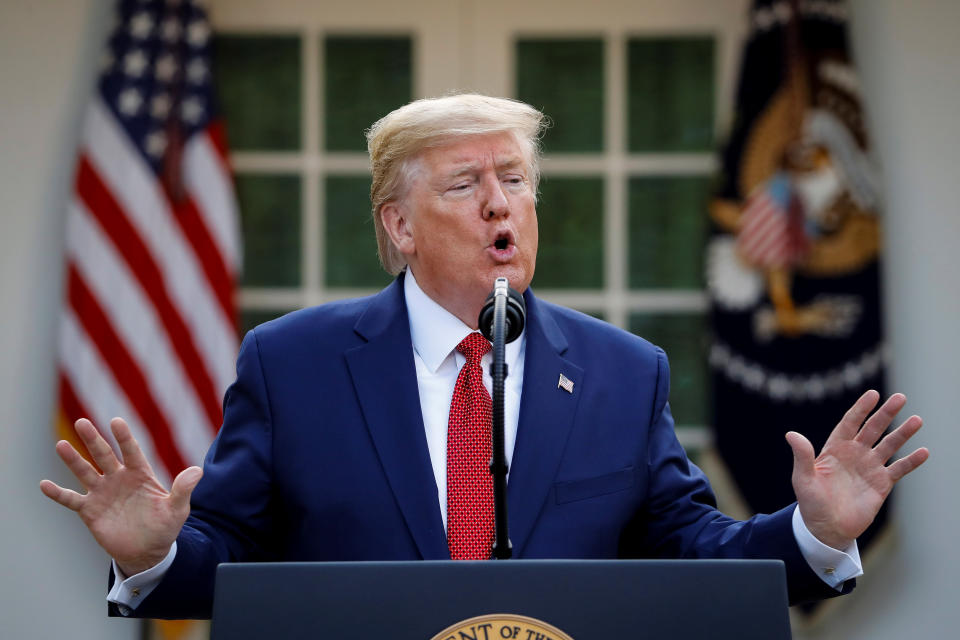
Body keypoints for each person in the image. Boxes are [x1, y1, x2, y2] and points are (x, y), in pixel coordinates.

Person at [40, 94, 929, 619]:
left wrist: (816, 533)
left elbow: (692, 551)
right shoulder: (294, 364)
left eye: (515, 181)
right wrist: (153, 556)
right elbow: (226, 555)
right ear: (398, 225)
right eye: (467, 185)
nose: (501, 205)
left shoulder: (622, 371)